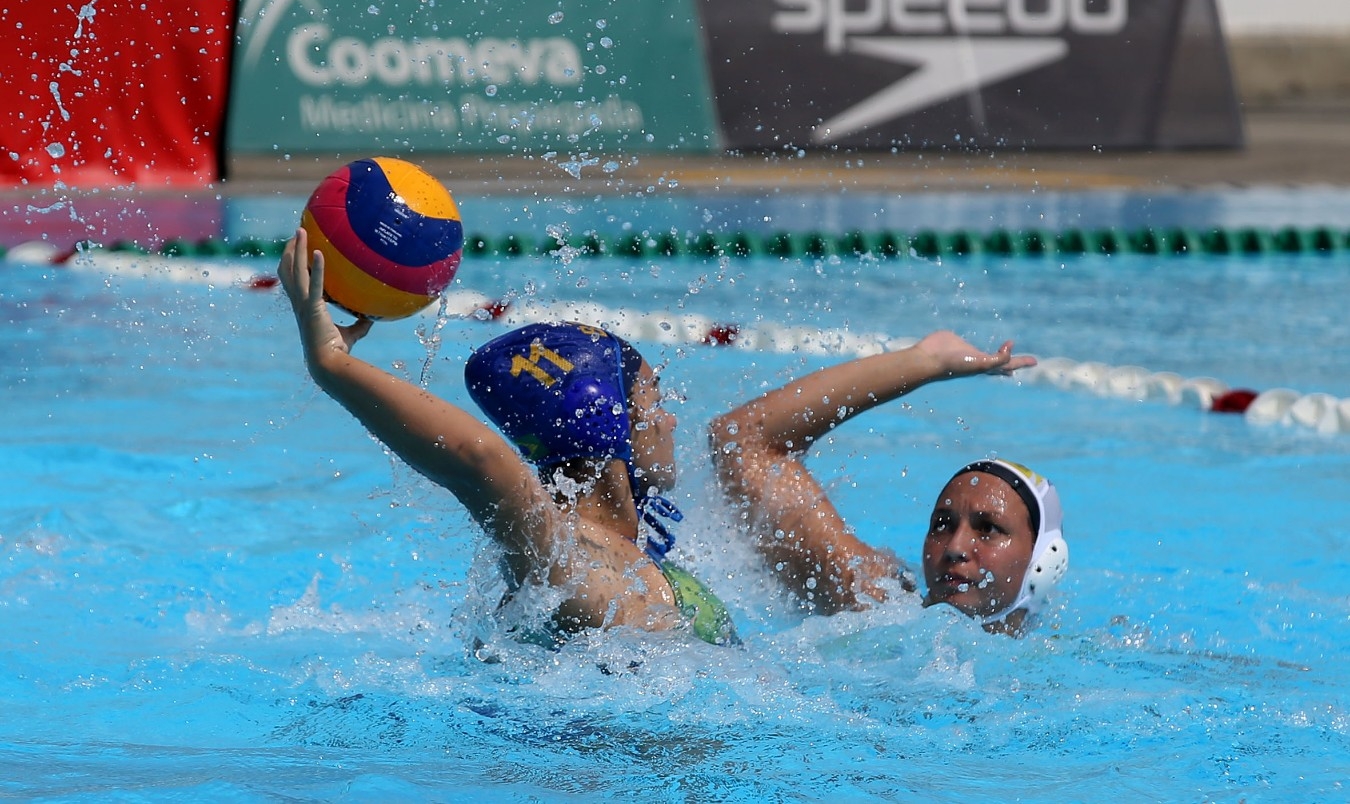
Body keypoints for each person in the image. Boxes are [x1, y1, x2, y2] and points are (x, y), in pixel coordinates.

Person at [278, 228, 1066, 645]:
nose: (672, 419)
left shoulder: (642, 546)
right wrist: (332, 364)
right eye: (653, 402)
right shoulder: (570, 558)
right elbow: (483, 463)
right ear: (608, 424)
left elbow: (746, 443)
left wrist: (924, 361)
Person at [708, 332, 1068, 635]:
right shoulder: (876, 604)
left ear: (1044, 560)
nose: (955, 547)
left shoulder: (1071, 674)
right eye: (942, 525)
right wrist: (925, 362)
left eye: (988, 528)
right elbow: (741, 441)